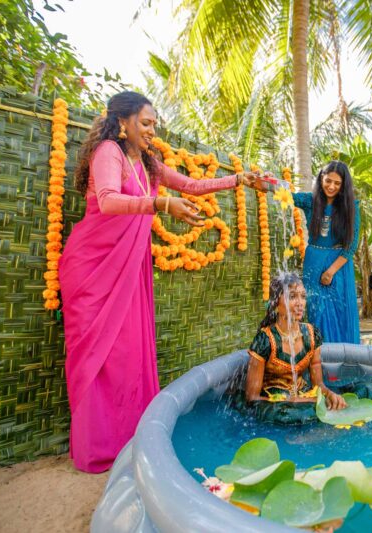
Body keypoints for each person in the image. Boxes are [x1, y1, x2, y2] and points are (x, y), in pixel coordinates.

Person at [59, 91, 262, 473]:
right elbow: (107, 200)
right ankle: (96, 448)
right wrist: (161, 205)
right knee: (97, 360)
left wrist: (239, 179)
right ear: (123, 122)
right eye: (147, 123)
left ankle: (129, 441)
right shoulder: (109, 153)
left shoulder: (148, 163)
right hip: (93, 269)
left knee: (128, 356)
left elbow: (192, 185)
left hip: (128, 270)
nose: (153, 131)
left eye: (155, 125)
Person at [245, 273, 347, 409]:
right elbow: (252, 398)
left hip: (305, 395)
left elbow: (318, 385)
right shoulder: (265, 340)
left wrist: (330, 395)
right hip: (276, 405)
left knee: (363, 391)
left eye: (303, 296)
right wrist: (304, 401)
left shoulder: (312, 334)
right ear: (275, 303)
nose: (300, 303)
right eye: (292, 296)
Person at [293, 161, 360, 344]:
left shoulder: (351, 206)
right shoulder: (310, 201)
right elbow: (284, 196)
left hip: (339, 266)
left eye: (337, 184)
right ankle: (317, 365)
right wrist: (265, 184)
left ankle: (342, 367)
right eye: (328, 181)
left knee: (340, 313)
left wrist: (331, 271)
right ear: (321, 178)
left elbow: (351, 245)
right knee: (316, 311)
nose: (331, 186)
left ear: (343, 186)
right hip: (314, 262)